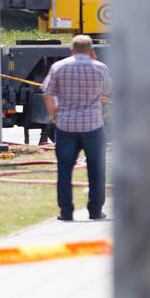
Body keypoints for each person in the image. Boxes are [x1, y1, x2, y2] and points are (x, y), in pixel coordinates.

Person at [41, 34, 111, 221]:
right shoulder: (100, 68)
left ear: (72, 50)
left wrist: (54, 115)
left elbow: (47, 94)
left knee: (64, 170)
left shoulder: (58, 67)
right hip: (93, 126)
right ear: (92, 51)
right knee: (96, 169)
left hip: (66, 126)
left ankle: (66, 212)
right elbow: (107, 91)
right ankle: (95, 211)